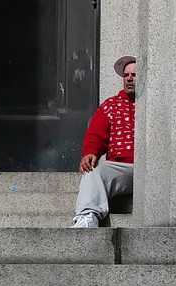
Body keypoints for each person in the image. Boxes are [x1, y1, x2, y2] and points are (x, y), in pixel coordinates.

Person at [70, 55, 137, 228]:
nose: (129, 79)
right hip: (122, 168)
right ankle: (87, 217)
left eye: (134, 75)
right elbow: (95, 135)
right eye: (126, 75)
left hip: (154, 169)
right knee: (93, 169)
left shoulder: (155, 103)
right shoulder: (110, 105)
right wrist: (90, 153)